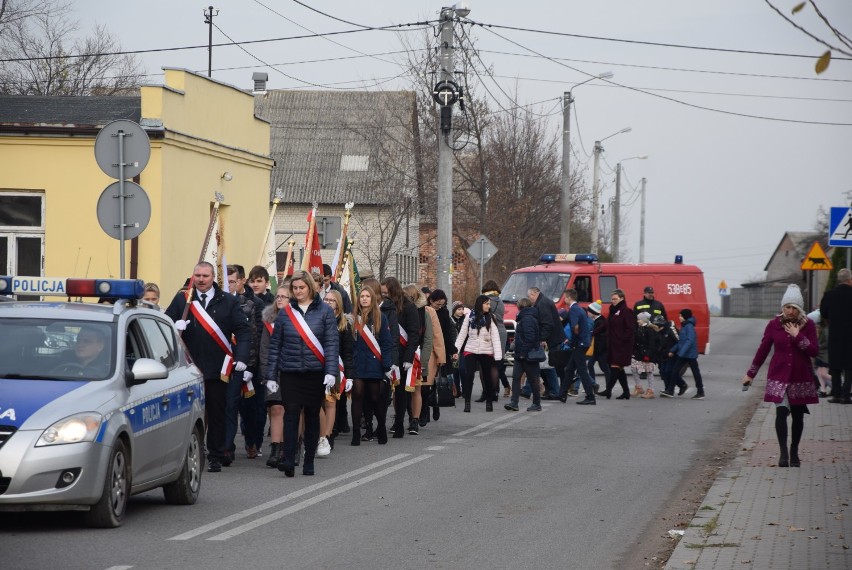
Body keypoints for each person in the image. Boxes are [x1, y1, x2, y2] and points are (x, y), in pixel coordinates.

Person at [166, 261, 251, 473]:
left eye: (205, 276)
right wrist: (173, 326)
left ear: (213, 277)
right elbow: (165, 325)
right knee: (189, 414)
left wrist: (241, 357)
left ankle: (215, 454)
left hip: (217, 368)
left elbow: (243, 331)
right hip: (188, 369)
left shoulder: (228, 301)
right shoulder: (183, 299)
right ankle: (190, 453)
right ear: (193, 277)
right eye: (197, 275)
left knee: (216, 413)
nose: (201, 279)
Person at [265, 270, 339, 477]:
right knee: (291, 414)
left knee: (312, 415)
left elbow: (332, 344)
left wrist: (331, 371)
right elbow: (275, 346)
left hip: (315, 373)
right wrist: (271, 375)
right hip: (290, 372)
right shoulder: (286, 314)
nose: (298, 291)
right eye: (294, 288)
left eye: (301, 288)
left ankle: (308, 461)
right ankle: (288, 459)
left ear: (310, 288)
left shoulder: (325, 312)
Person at [741, 284, 819, 467]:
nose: (790, 311)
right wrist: (750, 374)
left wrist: (798, 335)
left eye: (794, 308)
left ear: (799, 309)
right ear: (782, 307)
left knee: (798, 416)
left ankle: (794, 451)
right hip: (779, 375)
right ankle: (783, 453)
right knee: (781, 411)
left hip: (800, 376)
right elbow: (763, 350)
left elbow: (814, 351)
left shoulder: (808, 325)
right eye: (787, 307)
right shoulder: (773, 325)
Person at [225, 264, 263, 464]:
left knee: (250, 408)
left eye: (232, 281)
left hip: (246, 363)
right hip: (224, 363)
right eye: (225, 281)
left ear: (240, 281)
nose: (228, 285)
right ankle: (226, 446)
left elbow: (254, 337)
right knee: (227, 406)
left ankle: (252, 441)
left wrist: (249, 366)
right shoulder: (218, 303)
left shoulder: (253, 304)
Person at [350, 284, 393, 445]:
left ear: (373, 299)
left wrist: (387, 366)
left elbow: (386, 343)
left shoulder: (381, 317)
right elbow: (349, 344)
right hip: (358, 364)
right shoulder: (352, 317)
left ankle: (380, 427)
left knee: (375, 398)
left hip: (375, 364)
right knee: (358, 396)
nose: (365, 299)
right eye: (362, 296)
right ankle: (357, 432)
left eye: (367, 296)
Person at [318, 289, 354, 457]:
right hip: (318, 365)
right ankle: (319, 434)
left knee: (330, 403)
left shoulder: (344, 324)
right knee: (317, 403)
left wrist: (349, 375)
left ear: (338, 304)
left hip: (335, 367)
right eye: (326, 299)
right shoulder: (316, 318)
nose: (328, 302)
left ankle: (328, 435)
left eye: (332, 300)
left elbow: (348, 353)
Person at [381, 277, 419, 437]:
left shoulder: (409, 307)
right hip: (386, 352)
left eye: (385, 292)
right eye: (381, 292)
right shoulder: (382, 307)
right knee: (384, 390)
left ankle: (399, 424)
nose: (383, 295)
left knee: (401, 391)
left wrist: (408, 357)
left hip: (403, 354)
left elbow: (414, 333)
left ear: (393, 291)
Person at [259, 280, 290, 468]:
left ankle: (290, 446)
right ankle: (275, 448)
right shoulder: (269, 320)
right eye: (278, 296)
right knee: (276, 408)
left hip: (293, 370)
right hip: (274, 371)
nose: (279, 299)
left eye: (284, 297)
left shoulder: (298, 319)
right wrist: (266, 374)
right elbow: (264, 349)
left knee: (292, 410)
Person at [455, 294, 503, 412]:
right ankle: (467, 403)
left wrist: (498, 356)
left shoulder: (490, 318)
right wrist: (455, 350)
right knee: (469, 374)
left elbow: (495, 337)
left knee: (487, 377)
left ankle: (489, 401)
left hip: (486, 351)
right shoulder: (469, 317)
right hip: (470, 349)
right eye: (486, 304)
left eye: (489, 304)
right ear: (480, 304)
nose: (488, 306)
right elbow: (462, 334)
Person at [819, 267, 852, 404]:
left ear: (839, 280)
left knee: (836, 364)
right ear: (850, 279)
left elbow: (823, 313)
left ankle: (836, 395)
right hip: (851, 334)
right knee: (850, 365)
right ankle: (846, 395)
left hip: (835, 334)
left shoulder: (829, 294)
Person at [559, 288, 596, 405]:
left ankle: (590, 396)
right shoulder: (579, 308)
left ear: (569, 298)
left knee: (582, 370)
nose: (564, 299)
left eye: (565, 297)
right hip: (582, 342)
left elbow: (575, 327)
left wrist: (573, 341)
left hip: (580, 343)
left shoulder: (573, 310)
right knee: (569, 369)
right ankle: (562, 394)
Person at [528, 287, 566, 399]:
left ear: (535, 294)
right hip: (552, 338)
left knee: (550, 366)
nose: (529, 298)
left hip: (552, 339)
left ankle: (554, 391)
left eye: (529, 295)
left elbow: (548, 324)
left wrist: (542, 338)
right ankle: (550, 390)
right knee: (546, 366)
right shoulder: (542, 302)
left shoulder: (542, 304)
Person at [505, 298, 543, 412]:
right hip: (521, 354)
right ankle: (514, 402)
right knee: (516, 378)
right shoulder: (526, 317)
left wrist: (522, 353)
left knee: (533, 380)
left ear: (520, 306)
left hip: (527, 354)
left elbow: (530, 338)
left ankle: (536, 403)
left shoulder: (527, 319)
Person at [427, 289, 457, 420]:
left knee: (439, 381)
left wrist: (453, 350)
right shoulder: (426, 311)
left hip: (442, 348)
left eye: (442, 305)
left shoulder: (445, 313)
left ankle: (436, 405)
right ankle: (425, 409)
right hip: (428, 350)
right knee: (426, 383)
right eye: (437, 304)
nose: (439, 307)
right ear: (431, 301)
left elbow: (447, 334)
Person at [600, 289, 635, 400]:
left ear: (622, 298)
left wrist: (621, 340)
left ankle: (608, 390)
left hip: (622, 346)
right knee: (619, 369)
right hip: (613, 344)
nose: (613, 301)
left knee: (615, 367)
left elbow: (630, 330)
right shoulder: (613, 310)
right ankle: (626, 392)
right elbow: (606, 324)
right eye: (612, 299)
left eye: (615, 299)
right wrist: (593, 332)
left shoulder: (626, 311)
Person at [482, 280, 510, 398]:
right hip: (502, 331)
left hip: (491, 331)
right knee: (497, 362)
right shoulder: (501, 302)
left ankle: (491, 391)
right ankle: (499, 388)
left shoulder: (486, 301)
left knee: (488, 363)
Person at [669, 308, 705, 400]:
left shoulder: (689, 326)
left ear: (685, 316)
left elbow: (690, 340)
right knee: (674, 371)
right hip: (684, 354)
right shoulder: (685, 326)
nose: (679, 317)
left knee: (695, 373)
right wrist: (672, 350)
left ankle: (700, 392)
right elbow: (681, 341)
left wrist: (681, 352)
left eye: (681, 316)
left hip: (690, 355)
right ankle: (670, 390)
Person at [653, 314, 683, 398]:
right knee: (663, 371)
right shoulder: (659, 331)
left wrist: (673, 351)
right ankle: (668, 389)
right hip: (663, 354)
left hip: (672, 354)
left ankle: (676, 387)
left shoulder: (670, 329)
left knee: (669, 371)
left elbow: (679, 341)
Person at [587, 301, 612, 397]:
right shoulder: (596, 321)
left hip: (601, 350)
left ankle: (608, 388)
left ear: (593, 312)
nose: (588, 313)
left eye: (589, 311)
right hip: (595, 350)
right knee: (590, 365)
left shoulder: (601, 322)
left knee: (605, 369)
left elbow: (602, 338)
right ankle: (592, 385)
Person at [630, 312, 658, 398]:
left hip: (647, 355)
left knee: (649, 372)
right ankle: (639, 387)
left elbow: (651, 344)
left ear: (644, 320)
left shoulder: (650, 330)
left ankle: (651, 390)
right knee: (633, 368)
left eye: (639, 319)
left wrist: (647, 355)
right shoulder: (639, 328)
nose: (637, 321)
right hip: (638, 353)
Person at [807, 310, 831, 397]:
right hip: (820, 355)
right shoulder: (822, 329)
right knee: (818, 372)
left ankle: (839, 384)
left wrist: (818, 346)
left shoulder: (826, 329)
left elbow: (827, 342)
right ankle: (823, 390)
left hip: (824, 355)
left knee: (823, 373)